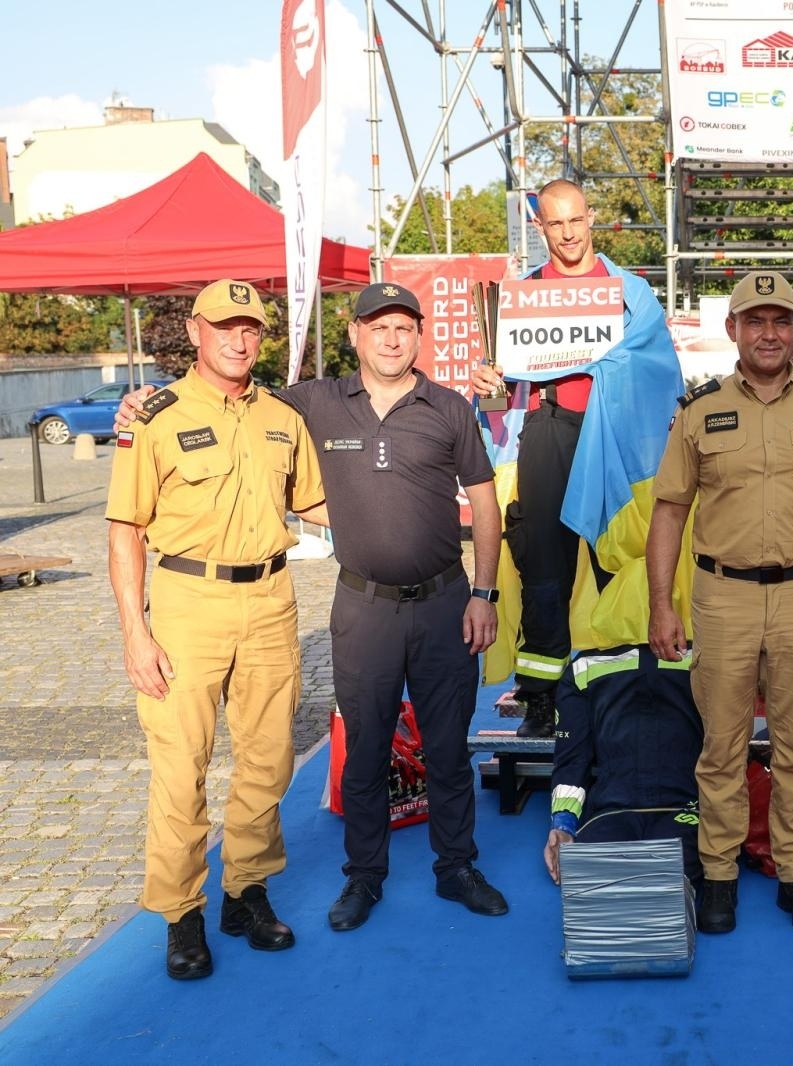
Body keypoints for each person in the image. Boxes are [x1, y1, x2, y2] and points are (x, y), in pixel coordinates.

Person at [120, 282, 510, 931]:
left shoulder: (447, 408)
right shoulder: (309, 404)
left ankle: (457, 867)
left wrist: (484, 591)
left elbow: (487, 503)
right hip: (361, 608)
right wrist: (139, 404)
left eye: (403, 328)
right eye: (377, 327)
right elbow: (227, 402)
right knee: (363, 751)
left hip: (446, 602)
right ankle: (363, 878)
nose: (390, 339)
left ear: (419, 336)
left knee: (447, 748)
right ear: (354, 335)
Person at [646, 270, 793, 935]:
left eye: (781, 321)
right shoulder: (699, 411)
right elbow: (669, 513)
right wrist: (661, 606)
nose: (770, 333)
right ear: (733, 330)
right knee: (720, 746)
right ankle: (718, 873)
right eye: (756, 320)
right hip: (721, 597)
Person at [107, 279, 326, 980]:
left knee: (268, 760)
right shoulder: (153, 417)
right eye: (225, 326)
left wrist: (413, 512)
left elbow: (319, 503)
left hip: (270, 598)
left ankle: (246, 893)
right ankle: (182, 914)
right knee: (181, 768)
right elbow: (124, 531)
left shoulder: (282, 419)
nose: (239, 339)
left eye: (252, 328)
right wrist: (134, 634)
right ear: (197, 331)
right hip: (186, 604)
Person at [475, 179, 682, 740]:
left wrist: (609, 366)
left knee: (619, 563)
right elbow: (497, 389)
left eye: (576, 221)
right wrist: (487, 381)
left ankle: (626, 688)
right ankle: (541, 699)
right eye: (554, 224)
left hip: (617, 440)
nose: (567, 234)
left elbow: (663, 370)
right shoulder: (520, 296)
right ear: (539, 227)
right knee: (544, 568)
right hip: (548, 433)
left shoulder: (629, 290)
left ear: (592, 218)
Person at [541, 644, 703, 886]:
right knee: (592, 880)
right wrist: (564, 825)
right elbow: (572, 757)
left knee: (667, 878)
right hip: (612, 810)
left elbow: (726, 750)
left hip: (686, 809)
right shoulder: (584, 666)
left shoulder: (706, 655)